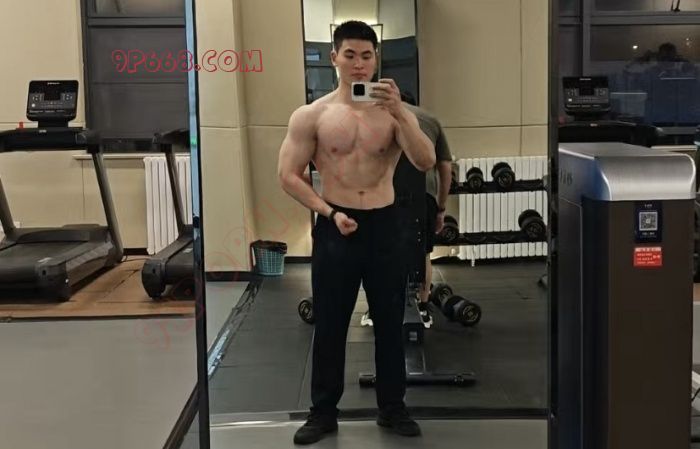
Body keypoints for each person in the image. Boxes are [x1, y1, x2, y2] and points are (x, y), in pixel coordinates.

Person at [277, 20, 435, 445]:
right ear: (334, 58)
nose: (359, 64)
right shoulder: (312, 115)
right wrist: (328, 212)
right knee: (330, 323)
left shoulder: (395, 114)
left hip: (386, 226)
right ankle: (323, 413)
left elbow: (425, 161)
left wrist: (400, 111)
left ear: (376, 59)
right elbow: (288, 175)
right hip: (337, 225)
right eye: (350, 55)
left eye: (367, 56)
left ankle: (392, 408)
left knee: (390, 323)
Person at [360, 92, 453, 329]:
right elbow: (445, 167)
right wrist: (441, 207)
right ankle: (423, 307)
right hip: (424, 194)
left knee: (380, 251)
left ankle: (375, 309)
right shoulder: (430, 119)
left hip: (385, 193)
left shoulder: (376, 117)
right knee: (423, 252)